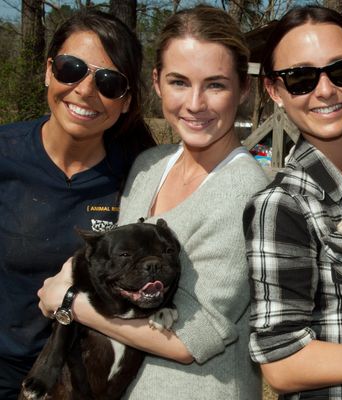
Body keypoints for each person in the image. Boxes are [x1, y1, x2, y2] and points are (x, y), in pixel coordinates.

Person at [37, 5, 270, 399]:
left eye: (215, 85)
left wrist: (72, 302)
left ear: (244, 89)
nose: (195, 103)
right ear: (158, 82)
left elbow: (191, 340)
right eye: (180, 82)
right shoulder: (149, 166)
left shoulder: (244, 193)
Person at [243, 4, 342, 399]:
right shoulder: (282, 205)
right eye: (300, 79)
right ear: (275, 91)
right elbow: (281, 363)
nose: (325, 90)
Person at [0, 9, 155, 399]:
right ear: (49, 70)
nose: (85, 90)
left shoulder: (139, 178)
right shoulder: (6, 154)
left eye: (108, 81)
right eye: (72, 68)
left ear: (125, 100)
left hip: (85, 382)